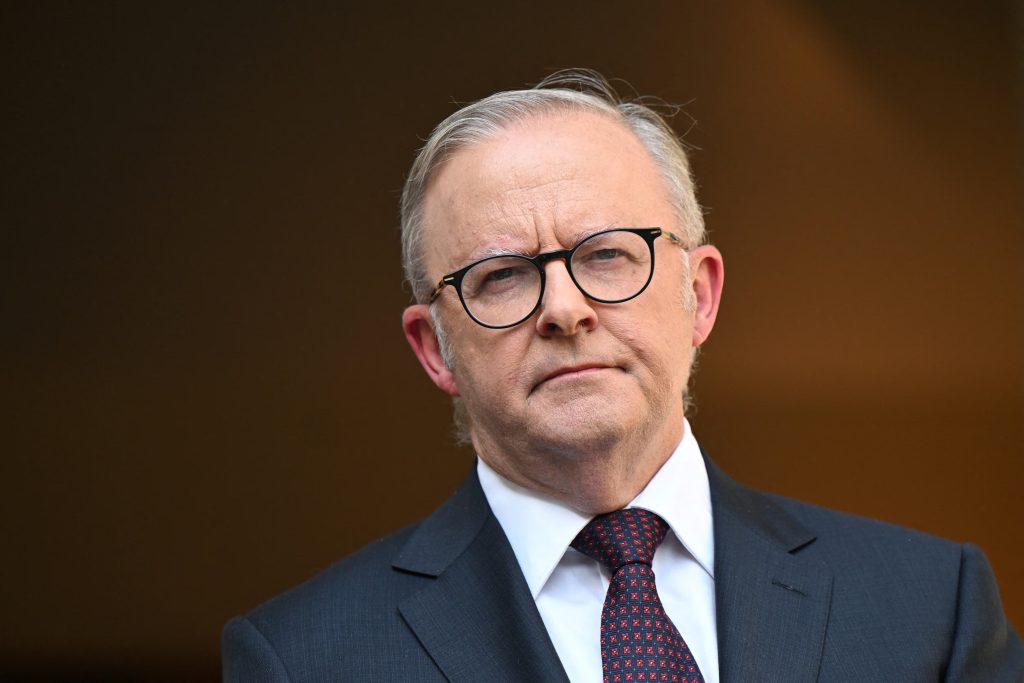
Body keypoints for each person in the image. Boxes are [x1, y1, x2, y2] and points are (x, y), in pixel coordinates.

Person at [222, 70, 1022, 682]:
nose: (564, 309)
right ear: (435, 348)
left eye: (607, 254)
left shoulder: (931, 606)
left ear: (700, 294)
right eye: (501, 276)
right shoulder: (303, 658)